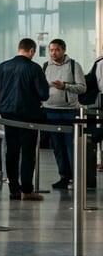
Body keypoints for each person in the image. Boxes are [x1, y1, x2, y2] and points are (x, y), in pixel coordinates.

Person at [0, 38, 49, 201]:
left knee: (12, 151)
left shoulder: (3, 66)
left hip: (7, 115)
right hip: (29, 116)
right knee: (28, 153)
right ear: (31, 51)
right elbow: (44, 94)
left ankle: (14, 189)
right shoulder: (34, 68)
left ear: (18, 48)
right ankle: (26, 190)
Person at [43, 38, 86, 190]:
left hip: (68, 111)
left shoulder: (74, 66)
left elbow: (82, 88)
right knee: (58, 147)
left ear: (63, 50)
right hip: (50, 110)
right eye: (51, 50)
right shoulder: (46, 66)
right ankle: (64, 177)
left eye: (57, 50)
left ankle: (76, 177)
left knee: (71, 146)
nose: (53, 53)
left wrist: (65, 86)